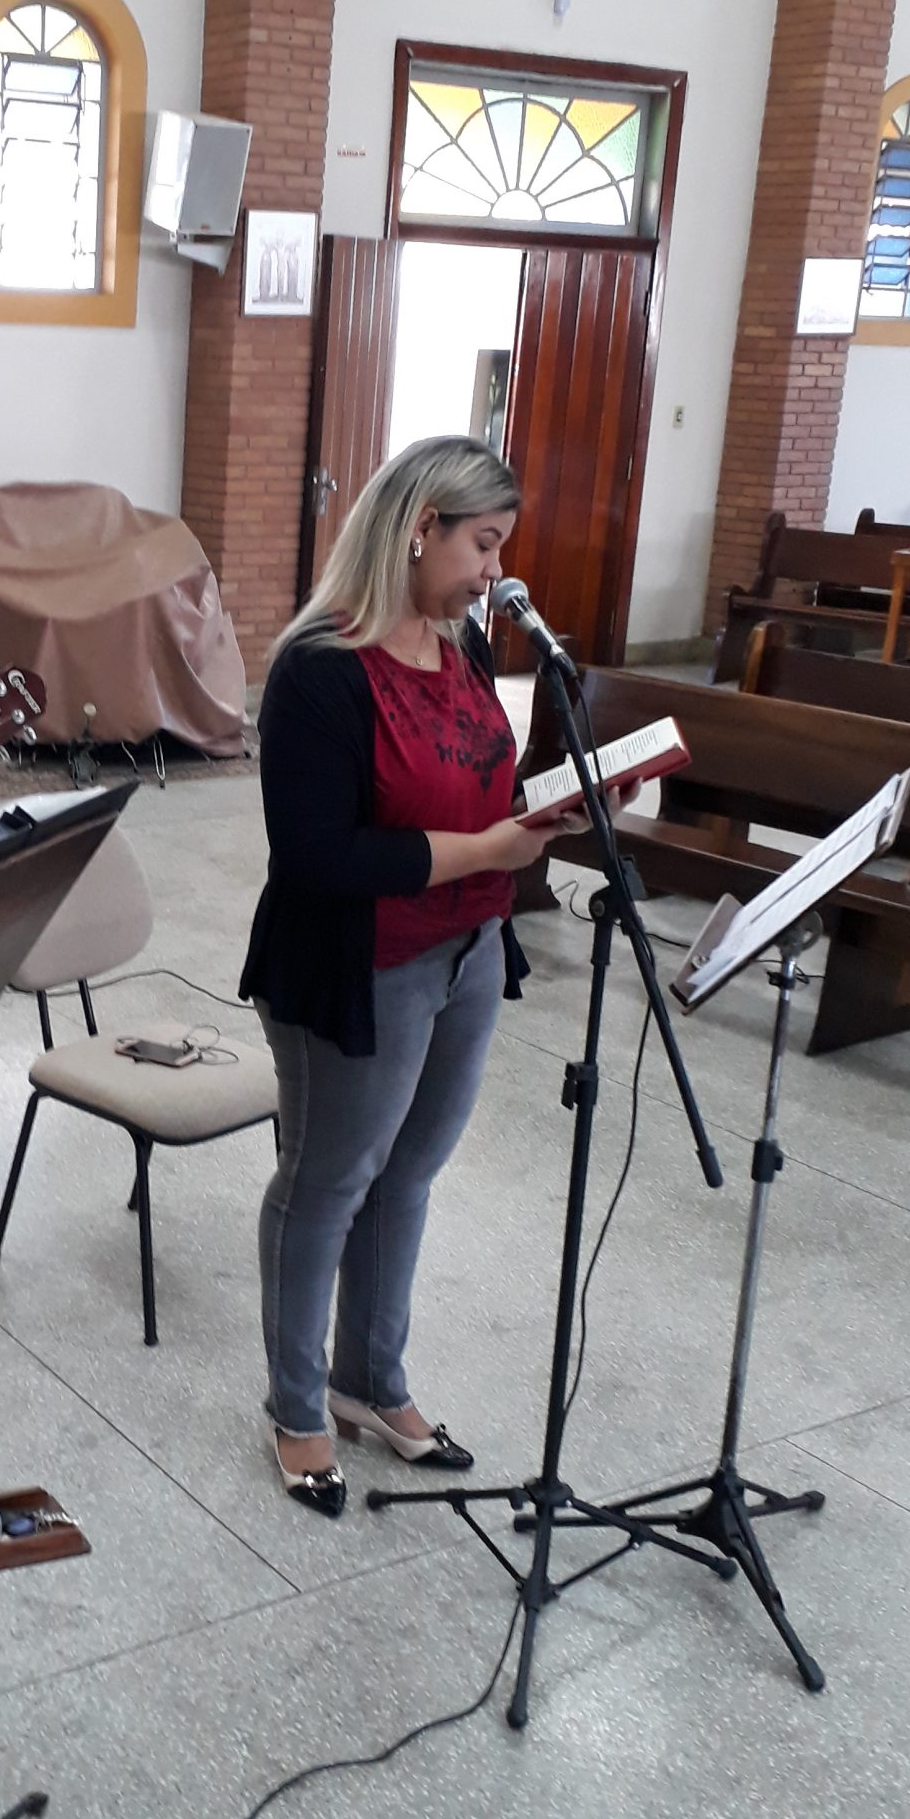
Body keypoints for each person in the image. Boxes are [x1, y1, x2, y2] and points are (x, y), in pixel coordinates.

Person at [240, 435, 578, 1519]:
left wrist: (544, 809)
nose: (494, 573)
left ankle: (370, 1383)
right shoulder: (319, 669)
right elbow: (318, 856)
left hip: (467, 946)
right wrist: (491, 849)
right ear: (420, 526)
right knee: (328, 1180)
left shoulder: (460, 643)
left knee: (411, 1172)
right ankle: (297, 1406)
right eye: (483, 544)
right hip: (359, 961)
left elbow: (471, 775)